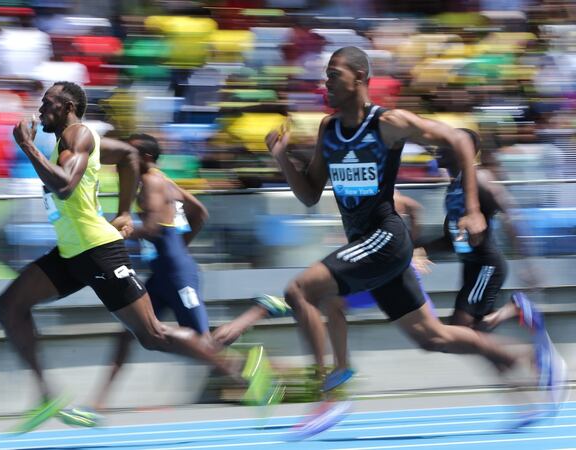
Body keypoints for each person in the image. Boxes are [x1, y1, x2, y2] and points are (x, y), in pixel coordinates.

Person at [264, 47, 561, 439]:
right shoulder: (328, 130)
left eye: (334, 74)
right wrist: (283, 158)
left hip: (386, 238)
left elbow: (458, 139)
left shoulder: (388, 122)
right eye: (325, 76)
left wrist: (473, 208)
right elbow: (309, 194)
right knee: (432, 337)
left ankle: (330, 391)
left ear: (359, 78)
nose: (326, 83)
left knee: (299, 290)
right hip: (366, 246)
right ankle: (524, 357)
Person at [0, 81, 271, 433]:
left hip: (97, 252)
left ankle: (242, 369)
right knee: (9, 305)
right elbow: (128, 155)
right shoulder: (78, 139)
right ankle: (46, 396)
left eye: (47, 103)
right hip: (71, 252)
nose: (39, 109)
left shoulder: (77, 136)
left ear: (66, 108)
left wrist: (27, 146)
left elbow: (64, 187)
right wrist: (124, 211)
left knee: (153, 334)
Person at [59, 133, 215, 427]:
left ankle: (261, 315)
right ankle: (97, 405)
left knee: (203, 345)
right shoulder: (162, 180)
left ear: (144, 158)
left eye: (130, 153)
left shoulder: (153, 183)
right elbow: (200, 212)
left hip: (178, 274)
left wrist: (117, 232)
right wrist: (179, 246)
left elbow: (155, 227)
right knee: (131, 333)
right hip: (163, 274)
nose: (123, 159)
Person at [212, 191, 432, 391]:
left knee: (436, 338)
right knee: (321, 299)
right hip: (371, 270)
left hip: (388, 271)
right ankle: (334, 371)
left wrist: (413, 248)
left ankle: (330, 372)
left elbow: (413, 208)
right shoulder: (348, 194)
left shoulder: (379, 192)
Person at [425, 128, 542, 331]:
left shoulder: (479, 178)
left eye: (446, 145)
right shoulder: (454, 185)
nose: (438, 149)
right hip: (470, 264)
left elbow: (511, 216)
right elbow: (451, 238)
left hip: (486, 265)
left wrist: (528, 264)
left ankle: (517, 308)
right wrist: (418, 250)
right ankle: (517, 311)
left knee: (462, 327)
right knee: (471, 329)